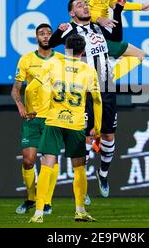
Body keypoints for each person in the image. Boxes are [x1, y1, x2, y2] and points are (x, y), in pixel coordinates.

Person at [48, 0, 124, 199]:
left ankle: (103, 174)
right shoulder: (70, 30)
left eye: (86, 4)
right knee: (87, 136)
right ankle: (84, 186)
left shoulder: (98, 27)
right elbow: (52, 42)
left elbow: (116, 37)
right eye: (79, 5)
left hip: (106, 85)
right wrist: (59, 29)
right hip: (85, 89)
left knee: (108, 135)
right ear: (72, 13)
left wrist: (117, 11)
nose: (85, 6)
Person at [27, 33, 102, 223]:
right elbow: (97, 100)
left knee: (46, 165)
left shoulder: (52, 64)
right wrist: (97, 127)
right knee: (79, 169)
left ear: (65, 49)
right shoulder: (88, 70)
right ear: (83, 51)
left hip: (53, 121)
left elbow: (29, 89)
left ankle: (38, 213)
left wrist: (30, 110)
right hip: (75, 124)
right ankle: (80, 211)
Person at [12, 24, 63, 215]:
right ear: (36, 38)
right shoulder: (26, 59)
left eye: (49, 33)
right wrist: (21, 105)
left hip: (53, 118)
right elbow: (16, 88)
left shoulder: (61, 59)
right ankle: (31, 198)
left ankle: (47, 201)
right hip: (32, 118)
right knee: (28, 160)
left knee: (50, 160)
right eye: (41, 34)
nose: (46, 36)